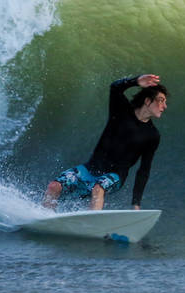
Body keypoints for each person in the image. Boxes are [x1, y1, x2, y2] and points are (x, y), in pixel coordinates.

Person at [43, 74, 167, 211]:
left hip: (116, 175)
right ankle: (46, 216)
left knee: (98, 188)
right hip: (90, 169)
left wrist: (136, 204)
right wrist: (136, 81)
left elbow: (144, 170)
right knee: (54, 186)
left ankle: (92, 225)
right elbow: (115, 87)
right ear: (148, 101)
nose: (164, 106)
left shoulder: (152, 135)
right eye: (161, 100)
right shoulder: (121, 111)